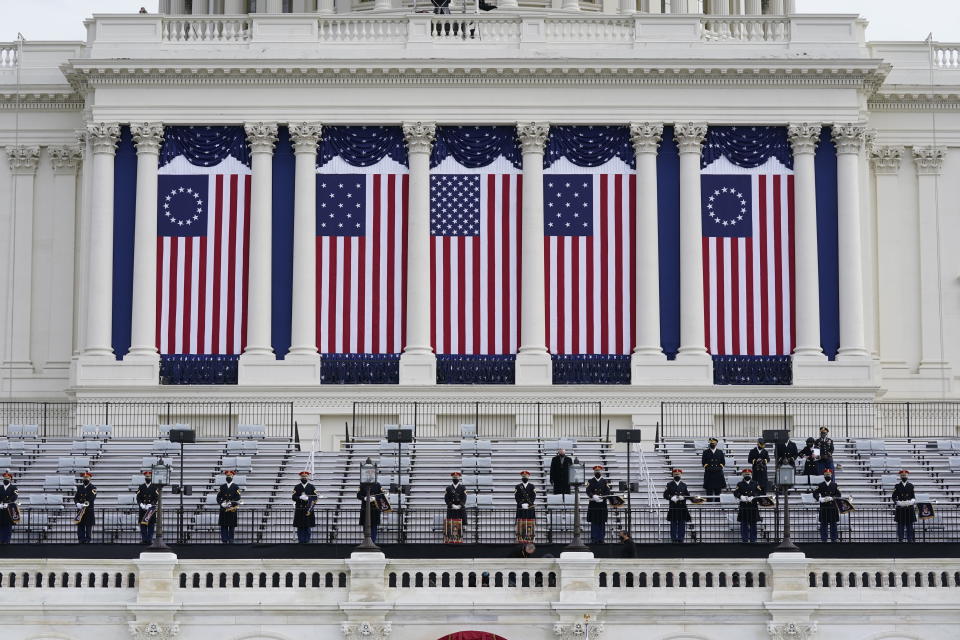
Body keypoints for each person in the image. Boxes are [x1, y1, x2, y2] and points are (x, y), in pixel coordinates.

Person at [733, 468, 764, 543]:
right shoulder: (739, 484)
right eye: (746, 474)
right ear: (743, 475)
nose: (747, 475)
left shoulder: (755, 483)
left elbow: (760, 492)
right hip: (744, 506)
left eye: (748, 474)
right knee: (744, 524)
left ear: (751, 475)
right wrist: (741, 497)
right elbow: (735, 492)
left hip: (753, 506)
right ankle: (745, 540)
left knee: (753, 524)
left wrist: (754, 496)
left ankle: (753, 540)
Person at [663, 468, 691, 543]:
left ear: (681, 475)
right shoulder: (669, 484)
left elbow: (688, 495)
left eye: (678, 474)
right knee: (673, 523)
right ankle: (674, 538)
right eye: (675, 474)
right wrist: (671, 498)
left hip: (682, 507)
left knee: (682, 523)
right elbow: (665, 495)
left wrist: (684, 497)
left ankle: (681, 538)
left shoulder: (684, 485)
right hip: (673, 506)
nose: (677, 475)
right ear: (673, 475)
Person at [812, 468, 841, 542]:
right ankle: (824, 539)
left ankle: (834, 539)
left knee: (833, 524)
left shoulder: (835, 485)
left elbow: (839, 494)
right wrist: (819, 498)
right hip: (824, 507)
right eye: (826, 474)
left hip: (832, 507)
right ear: (824, 476)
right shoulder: (820, 485)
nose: (827, 476)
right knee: (823, 524)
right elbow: (815, 493)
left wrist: (832, 498)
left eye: (829, 474)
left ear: (831, 475)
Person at [586, 465, 611, 544]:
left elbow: (608, 492)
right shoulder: (590, 481)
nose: (597, 472)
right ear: (594, 472)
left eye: (598, 471)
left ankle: (601, 538)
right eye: (596, 471)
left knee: (601, 521)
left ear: (601, 472)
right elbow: (588, 491)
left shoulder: (605, 481)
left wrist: (602, 498)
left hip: (602, 504)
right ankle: (594, 538)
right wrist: (593, 496)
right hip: (593, 503)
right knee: (594, 521)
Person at [292, 471, 318, 544]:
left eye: (305, 477)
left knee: (307, 525)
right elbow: (293, 497)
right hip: (299, 509)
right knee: (300, 526)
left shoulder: (311, 486)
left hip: (308, 509)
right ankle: (300, 541)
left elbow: (315, 497)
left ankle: (307, 541)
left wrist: (308, 498)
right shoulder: (297, 487)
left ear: (308, 477)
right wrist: (300, 497)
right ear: (300, 477)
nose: (304, 478)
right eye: (302, 477)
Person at [216, 470, 242, 544]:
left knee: (231, 525)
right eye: (227, 476)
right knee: (223, 525)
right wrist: (221, 503)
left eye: (230, 476)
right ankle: (224, 539)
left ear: (232, 476)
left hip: (232, 508)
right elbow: (218, 497)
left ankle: (231, 539)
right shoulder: (222, 487)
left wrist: (231, 502)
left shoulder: (236, 487)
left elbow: (238, 497)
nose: (228, 477)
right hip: (223, 508)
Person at [135, 470, 160, 544]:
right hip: (143, 508)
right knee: (143, 524)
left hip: (150, 509)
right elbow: (138, 497)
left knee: (151, 525)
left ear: (151, 477)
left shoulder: (154, 487)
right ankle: (144, 539)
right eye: (146, 477)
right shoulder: (141, 487)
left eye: (149, 477)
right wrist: (141, 504)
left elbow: (156, 497)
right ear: (145, 477)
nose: (148, 478)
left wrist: (152, 504)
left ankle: (149, 539)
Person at [892, 469, 917, 543]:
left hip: (909, 508)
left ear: (907, 476)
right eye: (902, 475)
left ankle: (910, 539)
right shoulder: (897, 486)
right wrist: (897, 502)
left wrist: (912, 501)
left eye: (905, 475)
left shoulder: (911, 486)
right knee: (900, 525)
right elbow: (893, 497)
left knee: (909, 525)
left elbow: (913, 496)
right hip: (900, 508)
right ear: (900, 476)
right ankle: (900, 539)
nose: (904, 476)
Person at [357, 475, 383, 543]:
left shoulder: (378, 485)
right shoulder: (362, 485)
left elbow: (381, 494)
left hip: (375, 508)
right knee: (365, 525)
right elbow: (358, 495)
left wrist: (375, 498)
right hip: (365, 508)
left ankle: (373, 541)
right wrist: (364, 498)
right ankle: (366, 540)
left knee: (374, 526)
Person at [444, 471, 467, 543]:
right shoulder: (448, 488)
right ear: (452, 478)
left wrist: (460, 505)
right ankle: (450, 540)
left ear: (459, 478)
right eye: (454, 478)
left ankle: (458, 540)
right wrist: (452, 505)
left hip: (460, 509)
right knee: (451, 525)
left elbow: (464, 498)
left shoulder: (463, 488)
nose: (455, 478)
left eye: (456, 477)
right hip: (451, 509)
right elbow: (446, 498)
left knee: (460, 525)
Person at [74, 471, 97, 544]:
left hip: (88, 510)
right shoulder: (80, 487)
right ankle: (81, 539)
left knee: (88, 526)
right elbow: (76, 497)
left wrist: (83, 505)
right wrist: (77, 503)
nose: (85, 479)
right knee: (80, 526)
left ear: (90, 478)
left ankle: (88, 539)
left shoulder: (93, 488)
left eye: (87, 477)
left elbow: (91, 498)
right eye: (84, 477)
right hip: (80, 510)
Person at [514, 470, 537, 543]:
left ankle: (530, 538)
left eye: (526, 476)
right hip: (521, 508)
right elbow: (516, 497)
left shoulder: (532, 486)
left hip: (530, 507)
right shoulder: (518, 486)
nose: (525, 477)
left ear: (528, 477)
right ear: (521, 477)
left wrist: (529, 504)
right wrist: (521, 504)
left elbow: (533, 496)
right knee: (521, 522)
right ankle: (520, 538)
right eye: (523, 476)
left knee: (530, 522)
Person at [0, 472, 19, 544]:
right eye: (4, 478)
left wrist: (8, 502)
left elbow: (15, 496)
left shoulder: (14, 488)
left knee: (8, 526)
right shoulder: (0, 487)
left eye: (7, 478)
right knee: (1, 525)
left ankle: (7, 541)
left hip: (9, 509)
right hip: (1, 509)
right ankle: (1, 540)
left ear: (10, 479)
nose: (6, 479)